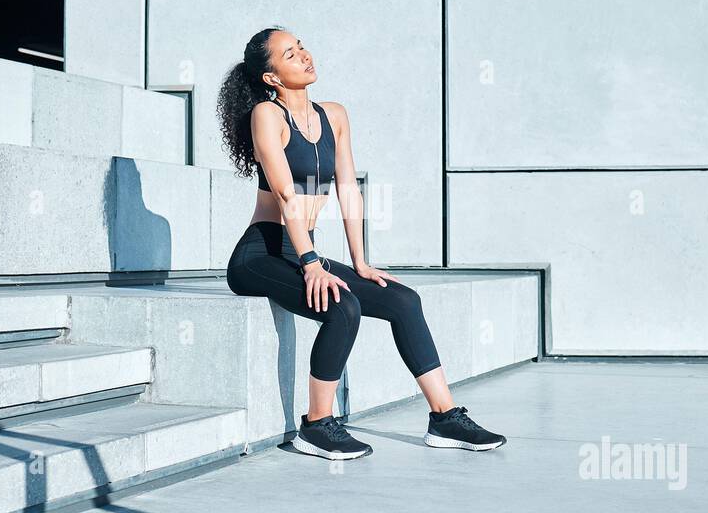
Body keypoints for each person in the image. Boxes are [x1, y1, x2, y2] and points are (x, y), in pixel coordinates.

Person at [216, 26, 506, 461]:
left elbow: (348, 189)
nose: (304, 56)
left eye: (302, 47)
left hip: (303, 249)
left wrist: (361, 261)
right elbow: (286, 194)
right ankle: (315, 426)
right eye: (290, 55)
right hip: (262, 252)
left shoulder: (334, 115)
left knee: (403, 300)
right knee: (342, 306)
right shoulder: (268, 116)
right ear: (272, 77)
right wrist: (312, 263)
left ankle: (444, 417)